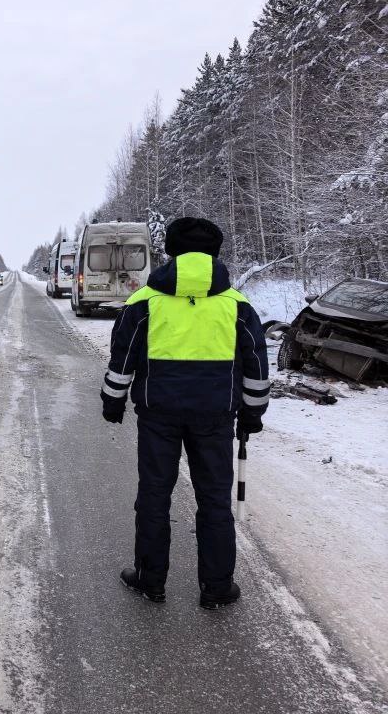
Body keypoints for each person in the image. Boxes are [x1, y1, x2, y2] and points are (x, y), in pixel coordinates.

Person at [100, 217, 269, 610]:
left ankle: (150, 580)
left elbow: (122, 358)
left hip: (158, 415)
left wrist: (113, 401)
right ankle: (217, 587)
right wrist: (252, 414)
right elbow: (257, 366)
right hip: (216, 417)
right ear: (215, 253)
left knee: (154, 494)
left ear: (169, 251)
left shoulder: (144, 301)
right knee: (214, 500)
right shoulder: (237, 305)